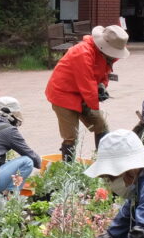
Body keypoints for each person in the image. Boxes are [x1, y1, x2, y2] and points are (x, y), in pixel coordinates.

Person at [45, 24, 129, 161]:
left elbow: (104, 73)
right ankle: (68, 169)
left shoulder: (107, 54)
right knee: (71, 135)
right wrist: (95, 102)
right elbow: (86, 83)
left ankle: (104, 162)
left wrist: (102, 86)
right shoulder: (82, 53)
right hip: (63, 94)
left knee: (101, 126)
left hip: (83, 94)